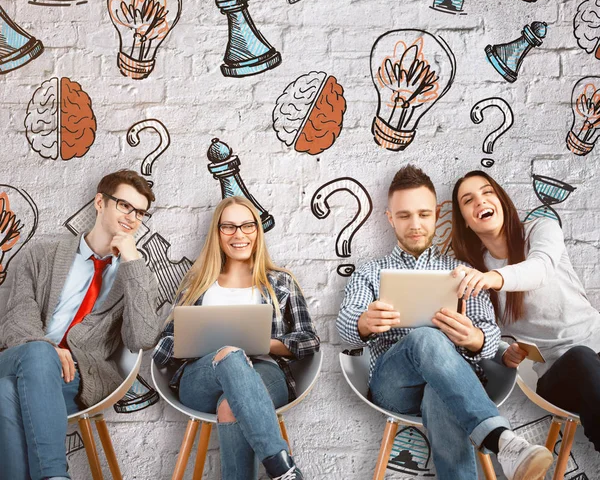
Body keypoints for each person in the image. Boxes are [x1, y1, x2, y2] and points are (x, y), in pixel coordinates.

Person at [337, 164, 553, 480]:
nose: (415, 224)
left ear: (437, 214)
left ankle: (503, 442)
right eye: (404, 215)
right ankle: (500, 439)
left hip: (454, 385)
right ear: (389, 218)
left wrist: (474, 338)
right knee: (426, 337)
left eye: (423, 214)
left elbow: (490, 334)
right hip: (394, 386)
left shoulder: (463, 271)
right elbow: (344, 327)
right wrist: (363, 322)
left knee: (440, 392)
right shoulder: (369, 273)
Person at [0, 169, 166, 480]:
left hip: (74, 377)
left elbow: (142, 337)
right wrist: (47, 348)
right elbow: (15, 320)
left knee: (4, 394)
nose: (132, 217)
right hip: (20, 359)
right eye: (124, 205)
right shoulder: (43, 255)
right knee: (36, 355)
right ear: (100, 202)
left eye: (140, 212)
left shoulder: (136, 275)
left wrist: (132, 263)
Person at [153, 196, 320, 480]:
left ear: (257, 231)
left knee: (231, 405)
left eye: (246, 226)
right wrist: (195, 338)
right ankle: (282, 468)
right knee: (228, 353)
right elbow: (161, 351)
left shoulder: (281, 282)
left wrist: (262, 343)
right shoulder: (197, 284)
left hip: (264, 373)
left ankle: (280, 467)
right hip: (201, 378)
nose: (238, 234)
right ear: (217, 234)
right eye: (228, 227)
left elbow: (309, 341)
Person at [452, 170, 600, 453]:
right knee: (580, 356)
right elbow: (487, 338)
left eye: (487, 192)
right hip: (557, 374)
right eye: (468, 200)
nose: (480, 202)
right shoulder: (475, 273)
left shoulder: (541, 229)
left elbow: (540, 269)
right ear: (466, 223)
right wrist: (504, 352)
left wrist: (495, 278)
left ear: (502, 200)